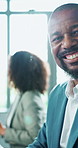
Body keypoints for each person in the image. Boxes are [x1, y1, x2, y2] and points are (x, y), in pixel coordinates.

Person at [27, 3, 78, 148]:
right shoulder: (57, 94)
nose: (67, 44)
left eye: (75, 32)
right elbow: (42, 143)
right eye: (57, 38)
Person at [0, 51, 50, 148]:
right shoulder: (21, 95)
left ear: (18, 72)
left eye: (10, 68)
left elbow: (35, 137)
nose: (8, 72)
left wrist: (4, 131)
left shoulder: (30, 97)